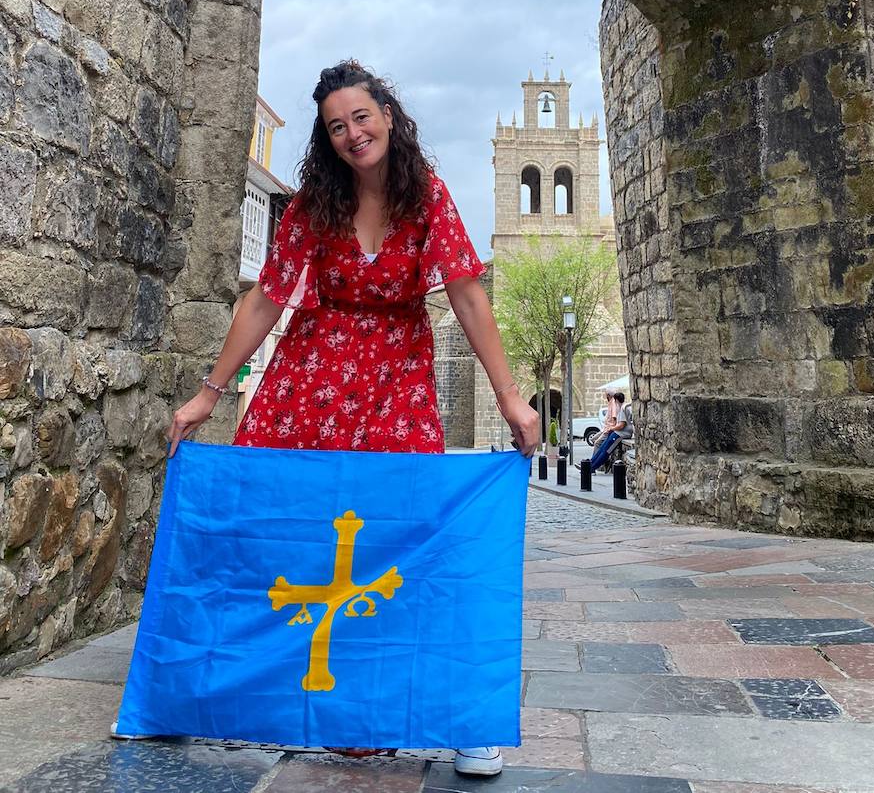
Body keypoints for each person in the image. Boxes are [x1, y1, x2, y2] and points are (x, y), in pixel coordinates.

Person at [166, 60, 540, 778]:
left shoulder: (427, 195)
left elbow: (466, 295)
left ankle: (456, 713)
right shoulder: (316, 202)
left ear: (388, 117)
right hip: (310, 378)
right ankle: (207, 689)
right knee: (273, 525)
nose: (351, 133)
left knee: (411, 538)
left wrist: (508, 396)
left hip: (396, 379)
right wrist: (210, 393)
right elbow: (267, 299)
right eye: (336, 126)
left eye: (361, 117)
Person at [583, 391, 632, 472]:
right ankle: (589, 464)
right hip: (616, 433)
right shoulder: (623, 407)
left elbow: (621, 425)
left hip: (620, 434)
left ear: (616, 400)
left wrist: (611, 428)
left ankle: (592, 468)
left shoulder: (622, 409)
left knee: (605, 451)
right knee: (602, 448)